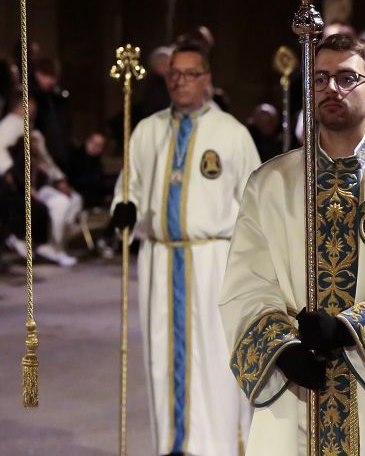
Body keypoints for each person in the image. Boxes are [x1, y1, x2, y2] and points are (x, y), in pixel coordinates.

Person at [220, 33, 365, 456]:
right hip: (295, 385)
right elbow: (246, 282)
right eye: (320, 78)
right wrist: (281, 349)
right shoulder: (270, 183)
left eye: (346, 78)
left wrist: (346, 328)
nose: (331, 89)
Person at [111, 41, 260, 456]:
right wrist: (125, 209)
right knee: (162, 354)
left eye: (190, 73)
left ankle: (218, 447)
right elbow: (131, 185)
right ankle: (172, 444)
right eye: (173, 73)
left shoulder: (232, 133)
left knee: (214, 361)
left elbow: (254, 207)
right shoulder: (148, 129)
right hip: (160, 259)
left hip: (213, 261)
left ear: (207, 80)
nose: (180, 81)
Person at [0, 92, 81, 266]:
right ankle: (53, 248)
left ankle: (55, 246)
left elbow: (46, 161)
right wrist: (22, 185)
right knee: (60, 204)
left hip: (41, 185)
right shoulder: (7, 128)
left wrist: (59, 178)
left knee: (75, 200)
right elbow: (3, 160)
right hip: (20, 188)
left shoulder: (33, 131)